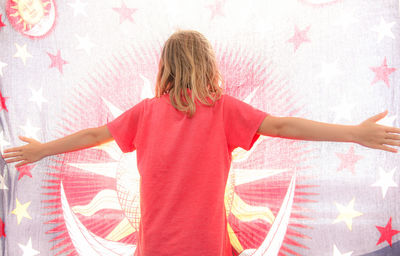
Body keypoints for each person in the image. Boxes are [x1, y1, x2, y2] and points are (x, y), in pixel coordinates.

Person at [2, 30, 400, 256]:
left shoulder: (145, 112)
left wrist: (41, 150)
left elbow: (92, 135)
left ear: (164, 68)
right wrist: (352, 133)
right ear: (208, 65)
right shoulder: (222, 109)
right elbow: (283, 126)